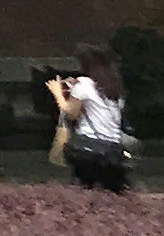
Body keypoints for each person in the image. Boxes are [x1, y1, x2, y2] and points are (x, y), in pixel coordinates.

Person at [50, 47, 133, 195]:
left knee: (84, 189)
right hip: (113, 152)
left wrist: (60, 94)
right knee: (116, 193)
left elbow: (71, 114)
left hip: (88, 150)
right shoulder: (114, 88)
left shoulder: (83, 85)